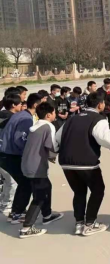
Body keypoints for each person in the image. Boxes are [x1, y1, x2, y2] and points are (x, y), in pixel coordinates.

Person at [56, 92, 110, 237]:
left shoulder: (72, 118)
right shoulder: (98, 119)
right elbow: (107, 140)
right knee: (98, 190)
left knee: (79, 192)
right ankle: (90, 223)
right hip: (86, 163)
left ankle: (79, 223)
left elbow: (57, 139)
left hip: (66, 163)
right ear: (100, 105)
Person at [19, 102, 64, 238]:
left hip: (27, 164)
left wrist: (49, 156)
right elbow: (52, 146)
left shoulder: (35, 126)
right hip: (36, 166)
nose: (55, 115)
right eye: (54, 112)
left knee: (46, 186)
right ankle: (27, 228)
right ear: (49, 115)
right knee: (40, 196)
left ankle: (47, 215)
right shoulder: (48, 126)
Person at [0, 93, 42, 224]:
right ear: (35, 105)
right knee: (26, 183)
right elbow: (20, 139)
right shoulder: (26, 118)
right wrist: (31, 153)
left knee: (23, 183)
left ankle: (16, 212)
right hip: (10, 156)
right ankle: (16, 214)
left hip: (6, 154)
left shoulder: (20, 115)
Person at [0, 94, 23, 213]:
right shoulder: (13, 119)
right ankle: (8, 206)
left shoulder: (2, 115)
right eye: (20, 104)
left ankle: (4, 202)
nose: (21, 106)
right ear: (14, 105)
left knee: (6, 180)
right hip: (6, 153)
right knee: (12, 181)